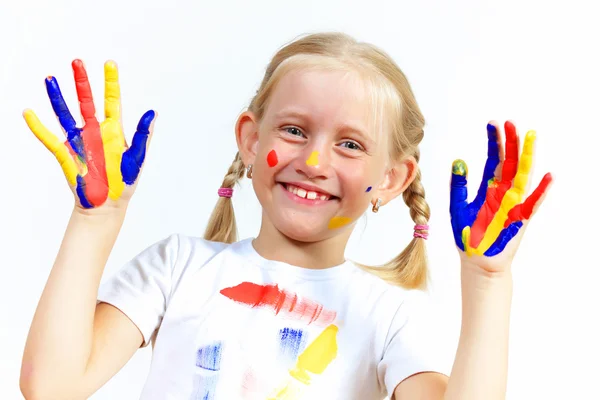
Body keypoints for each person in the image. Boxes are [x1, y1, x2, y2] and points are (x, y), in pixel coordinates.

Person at [19, 32, 552, 400]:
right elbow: (51, 385)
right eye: (295, 130)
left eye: (349, 144)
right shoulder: (178, 268)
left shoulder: (392, 316)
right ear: (251, 141)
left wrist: (488, 281)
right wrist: (97, 220)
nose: (314, 162)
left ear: (390, 180)